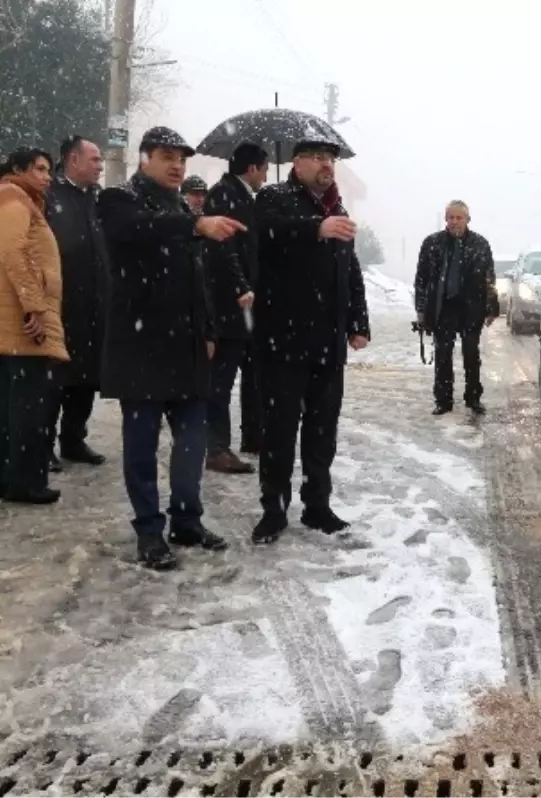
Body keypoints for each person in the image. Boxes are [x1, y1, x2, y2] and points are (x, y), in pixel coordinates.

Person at [98, 126, 246, 569]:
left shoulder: (180, 207)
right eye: (166, 156)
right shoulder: (119, 200)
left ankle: (187, 520)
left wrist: (209, 331)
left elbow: (197, 280)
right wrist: (196, 223)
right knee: (142, 447)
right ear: (144, 159)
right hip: (141, 346)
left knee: (191, 443)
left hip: (187, 348)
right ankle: (149, 530)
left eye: (182, 157)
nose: (177, 164)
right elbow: (138, 229)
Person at [252, 140, 370, 544]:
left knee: (323, 432)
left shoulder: (338, 210)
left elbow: (350, 272)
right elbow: (266, 234)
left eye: (331, 159)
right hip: (283, 340)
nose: (327, 166)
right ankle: (273, 507)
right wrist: (313, 229)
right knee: (280, 430)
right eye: (318, 158)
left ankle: (317, 505)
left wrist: (358, 322)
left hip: (327, 343)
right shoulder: (274, 199)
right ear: (296, 163)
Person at [0, 147, 70, 504]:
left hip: (11, 323)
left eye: (49, 170)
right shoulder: (14, 199)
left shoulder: (17, 199)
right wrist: (35, 306)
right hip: (23, 325)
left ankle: (11, 477)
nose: (47, 176)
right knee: (28, 408)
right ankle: (25, 482)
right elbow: (12, 251)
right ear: (17, 169)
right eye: (40, 169)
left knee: (12, 406)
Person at [202, 142, 270, 475]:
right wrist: (240, 284)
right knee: (221, 378)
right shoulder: (223, 195)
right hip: (229, 303)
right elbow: (223, 247)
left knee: (252, 371)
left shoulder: (243, 197)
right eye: (265, 169)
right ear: (253, 168)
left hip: (246, 302)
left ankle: (253, 436)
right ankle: (215, 447)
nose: (266, 176)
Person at [43, 135, 109, 471]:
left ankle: (73, 439)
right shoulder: (48, 195)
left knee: (86, 377)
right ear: (73, 159)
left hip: (95, 303)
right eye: (95, 159)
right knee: (54, 378)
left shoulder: (98, 198)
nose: (100, 166)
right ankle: (42, 445)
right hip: (59, 302)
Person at [414, 200, 499, 415]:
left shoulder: (480, 244)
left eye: (459, 217)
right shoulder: (432, 243)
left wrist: (491, 306)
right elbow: (421, 279)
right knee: (443, 354)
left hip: (472, 308)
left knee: (471, 354)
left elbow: (489, 278)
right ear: (446, 219)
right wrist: (421, 309)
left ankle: (473, 398)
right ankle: (443, 401)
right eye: (451, 217)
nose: (454, 222)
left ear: (467, 220)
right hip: (443, 308)